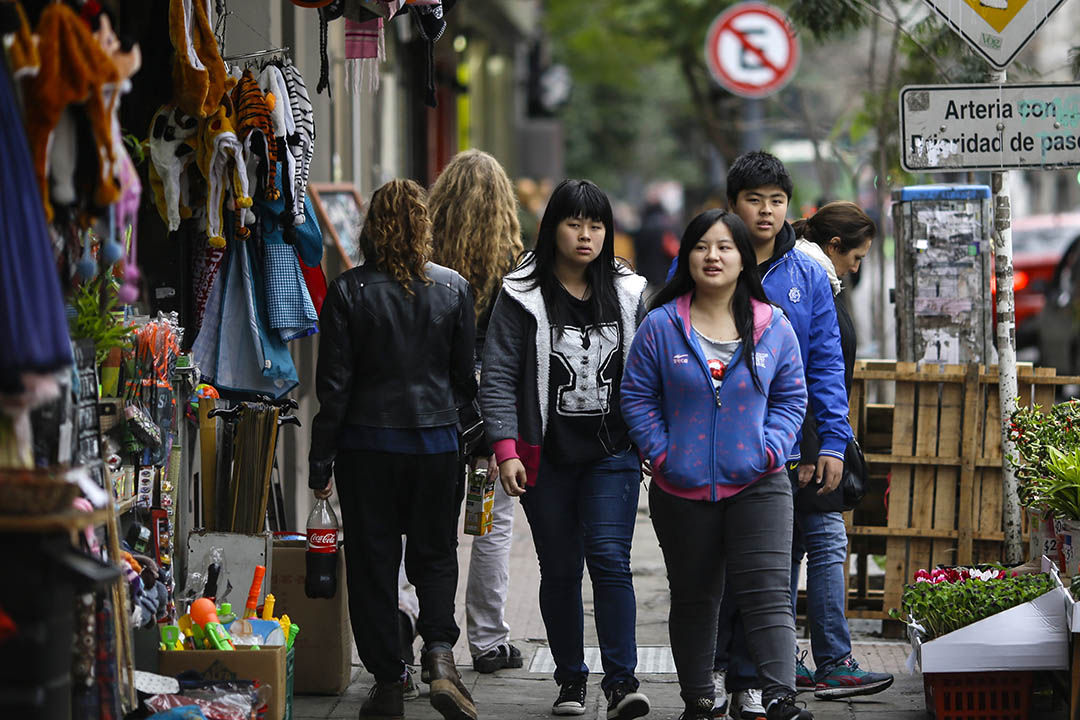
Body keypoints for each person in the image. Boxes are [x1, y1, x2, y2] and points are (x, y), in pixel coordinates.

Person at [712, 153, 887, 719]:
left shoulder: (807, 273)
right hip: (716, 447)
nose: (766, 212)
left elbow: (826, 367)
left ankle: (770, 680)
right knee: (720, 572)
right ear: (734, 202)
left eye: (776, 201)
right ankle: (717, 681)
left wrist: (832, 443)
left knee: (777, 564)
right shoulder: (711, 258)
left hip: (795, 448)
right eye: (754, 200)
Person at [621, 209, 810, 720]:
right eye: (702, 246)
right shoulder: (662, 325)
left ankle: (780, 697)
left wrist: (769, 449)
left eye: (725, 247)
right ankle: (700, 697)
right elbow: (636, 397)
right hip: (681, 489)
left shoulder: (773, 325)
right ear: (686, 255)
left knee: (768, 592)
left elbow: (793, 397)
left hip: (760, 483)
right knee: (694, 598)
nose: (713, 256)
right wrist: (662, 456)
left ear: (743, 258)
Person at [478, 179, 651, 720]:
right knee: (558, 569)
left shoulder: (627, 292)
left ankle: (621, 682)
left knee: (609, 559)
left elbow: (648, 370)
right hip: (544, 456)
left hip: (613, 451)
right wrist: (505, 448)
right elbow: (499, 376)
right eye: (574, 223)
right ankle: (570, 681)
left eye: (596, 225)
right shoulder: (520, 294)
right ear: (552, 226)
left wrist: (651, 434)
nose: (585, 235)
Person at [308, 179, 479, 720]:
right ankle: (439, 655)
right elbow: (464, 381)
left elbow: (333, 388)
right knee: (434, 554)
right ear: (424, 226)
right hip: (435, 443)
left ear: (370, 227)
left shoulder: (348, 291)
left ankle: (387, 683)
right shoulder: (454, 289)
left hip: (366, 445)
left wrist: (320, 462)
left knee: (373, 563)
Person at [428, 148, 525, 674]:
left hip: (435, 403)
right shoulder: (515, 264)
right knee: (491, 523)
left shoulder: (424, 255)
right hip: (493, 407)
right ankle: (488, 641)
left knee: (428, 522)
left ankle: (412, 625)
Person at [790, 202, 893, 699]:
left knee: (792, 549)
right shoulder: (809, 278)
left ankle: (786, 657)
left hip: (811, 439)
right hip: (806, 442)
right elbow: (806, 373)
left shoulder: (817, 278)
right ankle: (831, 659)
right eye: (857, 257)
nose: (858, 267)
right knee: (825, 545)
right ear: (834, 247)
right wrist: (820, 442)